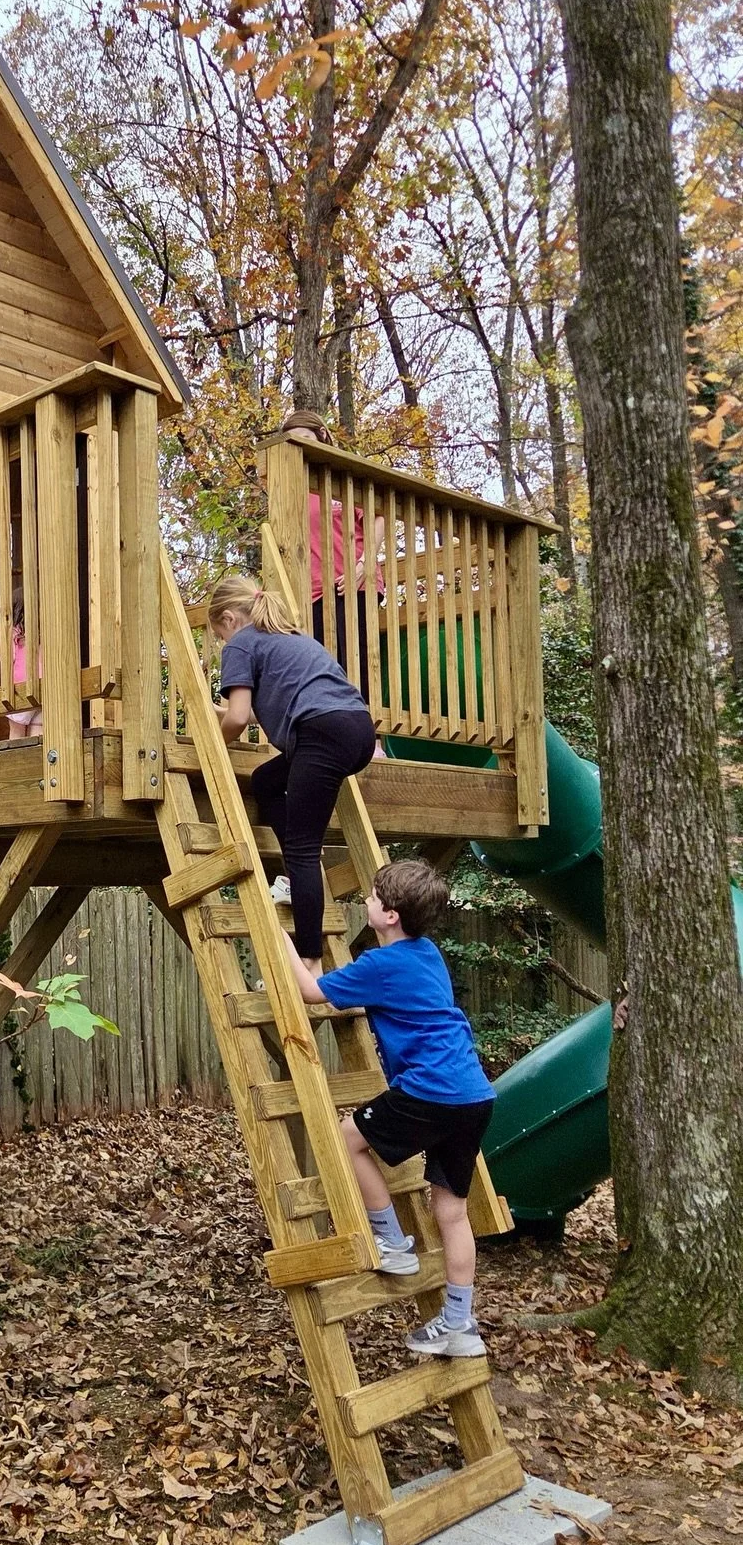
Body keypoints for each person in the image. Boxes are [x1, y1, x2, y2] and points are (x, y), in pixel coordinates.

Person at [284, 858, 495, 1359]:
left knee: (346, 1137)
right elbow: (371, 994)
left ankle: (392, 1243)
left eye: (374, 897)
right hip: (473, 1094)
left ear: (391, 915)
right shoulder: (427, 954)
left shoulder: (381, 966)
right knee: (452, 1211)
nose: (367, 900)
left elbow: (311, 992)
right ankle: (459, 1324)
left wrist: (284, 941)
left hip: (429, 1090)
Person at [210, 573, 378, 972]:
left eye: (218, 634)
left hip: (321, 733)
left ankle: (310, 962)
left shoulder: (240, 644)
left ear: (229, 618)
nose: (221, 642)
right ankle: (296, 864)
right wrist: (216, 713)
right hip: (357, 731)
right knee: (267, 781)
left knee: (303, 852)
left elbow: (237, 718)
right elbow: (260, 708)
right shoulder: (292, 636)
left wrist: (213, 744)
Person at [280, 410, 386, 739]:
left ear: (322, 437)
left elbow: (379, 517)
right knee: (321, 668)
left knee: (359, 661)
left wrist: (364, 565)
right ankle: (330, 736)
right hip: (312, 591)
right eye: (292, 440)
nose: (299, 446)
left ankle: (370, 737)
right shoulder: (292, 488)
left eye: (305, 438)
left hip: (354, 583)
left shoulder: (343, 480)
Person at [8, 587, 43, 739]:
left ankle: (15, 755)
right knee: (37, 734)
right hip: (41, 686)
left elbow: (10, 658)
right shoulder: (41, 631)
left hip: (20, 689)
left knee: (16, 734)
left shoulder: (14, 632)